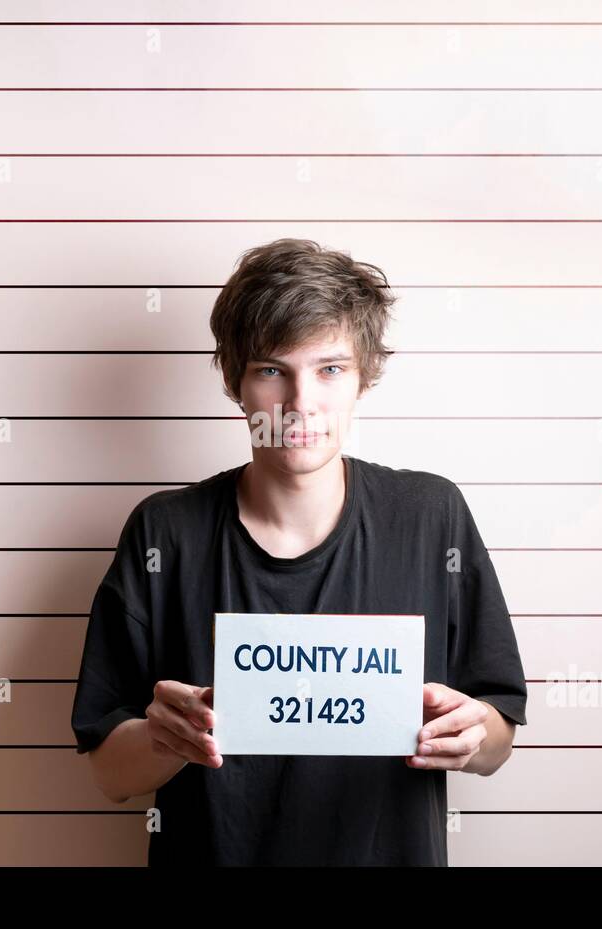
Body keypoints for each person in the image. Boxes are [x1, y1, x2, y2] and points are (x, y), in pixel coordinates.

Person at [71, 237, 527, 865]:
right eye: (271, 370)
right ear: (235, 380)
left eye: (330, 369)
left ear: (364, 376)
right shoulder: (164, 533)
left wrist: (471, 734)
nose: (300, 403)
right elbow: (109, 775)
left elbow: (498, 739)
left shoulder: (430, 516)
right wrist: (161, 738)